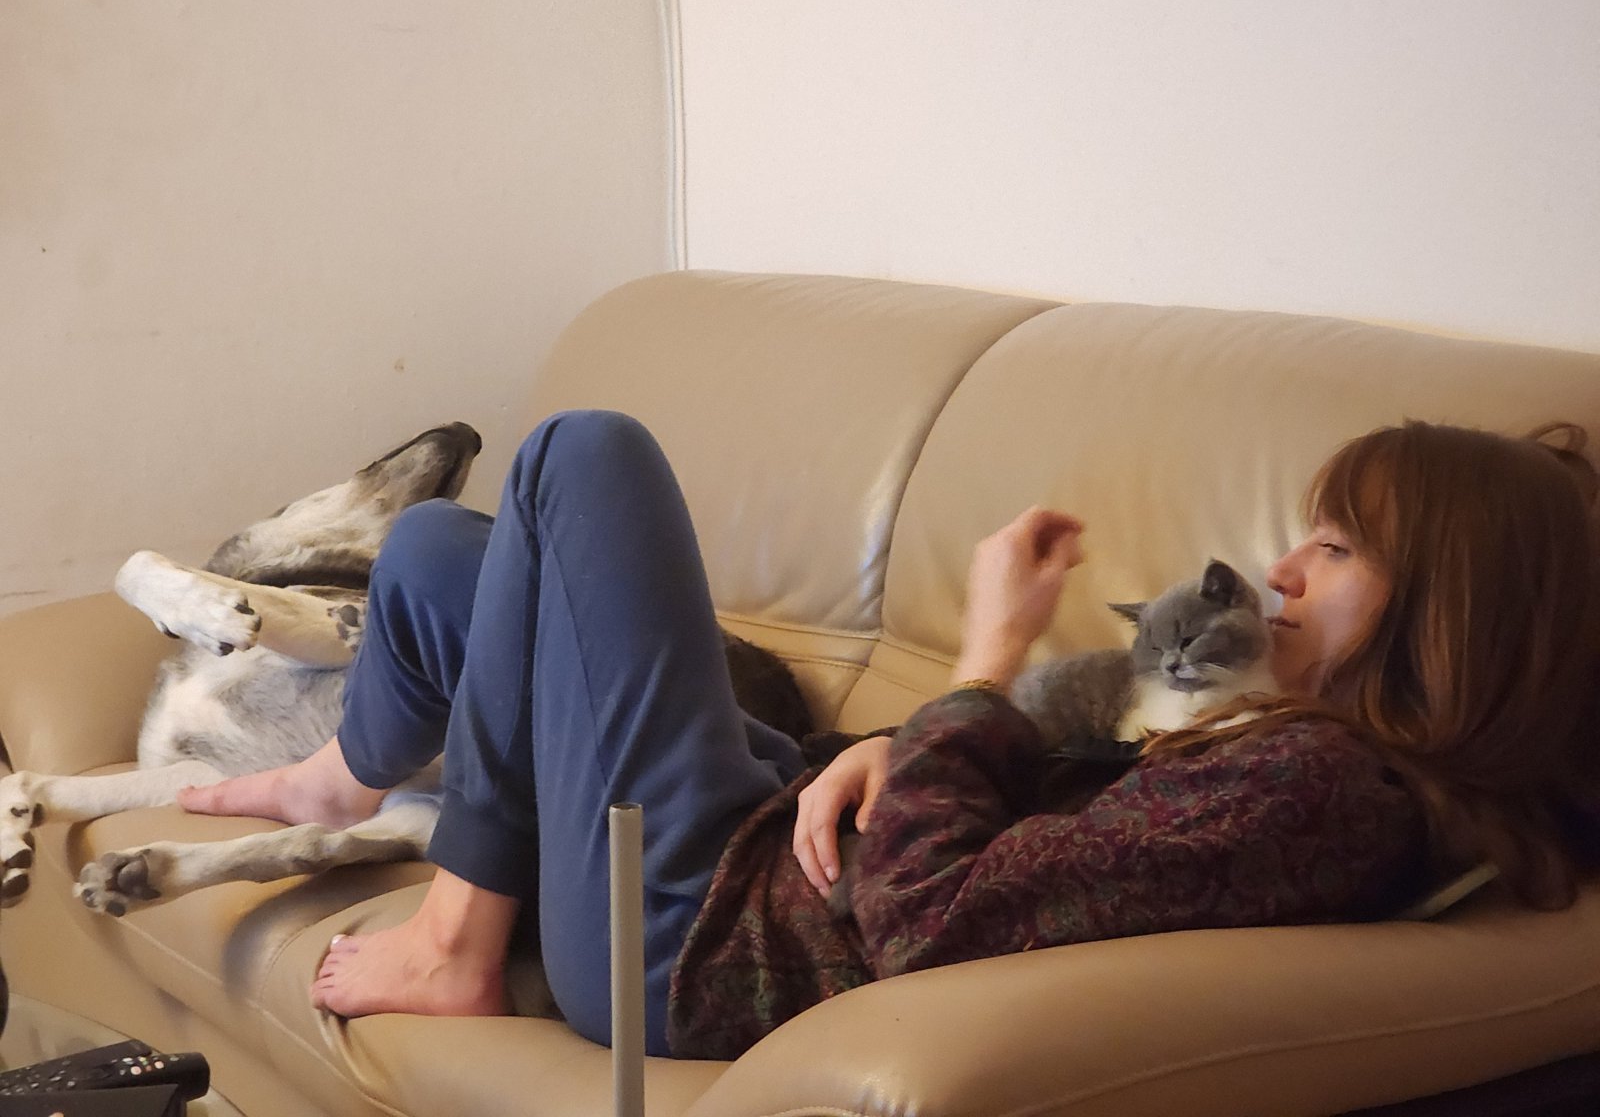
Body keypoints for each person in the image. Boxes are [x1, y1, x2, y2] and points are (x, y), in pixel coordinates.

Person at [179, 410, 1600, 1061]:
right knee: (440, 551)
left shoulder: (1316, 791)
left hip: (699, 936)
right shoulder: (1287, 747)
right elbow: (1005, 807)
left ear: (1451, 617)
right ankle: (339, 779)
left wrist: (982, 661)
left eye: (1335, 548)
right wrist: (904, 740)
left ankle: (456, 941)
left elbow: (928, 922)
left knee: (582, 454)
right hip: (769, 834)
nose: (1282, 569)